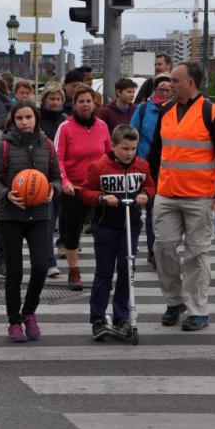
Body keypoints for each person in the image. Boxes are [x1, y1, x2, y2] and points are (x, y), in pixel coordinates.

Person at [146, 62, 215, 331]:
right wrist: (145, 182)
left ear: (191, 83)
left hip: (200, 196)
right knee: (163, 248)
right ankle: (174, 301)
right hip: (167, 194)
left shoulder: (213, 112)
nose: (170, 85)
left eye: (175, 80)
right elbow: (156, 153)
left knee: (197, 254)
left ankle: (197, 309)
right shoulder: (167, 111)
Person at [0, 101, 62, 342]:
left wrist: (52, 189)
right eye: (20, 118)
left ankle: (29, 312)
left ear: (36, 118)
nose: (24, 122)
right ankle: (14, 321)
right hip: (11, 217)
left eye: (28, 117)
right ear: (13, 120)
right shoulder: (4, 146)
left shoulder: (47, 145)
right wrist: (6, 194)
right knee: (14, 272)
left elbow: (57, 178)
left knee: (41, 267)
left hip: (40, 215)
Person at [80, 124, 155, 340]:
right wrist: (102, 198)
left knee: (126, 269)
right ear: (113, 146)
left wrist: (145, 195)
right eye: (124, 149)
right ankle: (98, 318)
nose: (129, 153)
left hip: (130, 225)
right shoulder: (99, 166)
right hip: (105, 226)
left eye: (133, 149)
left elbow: (150, 186)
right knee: (104, 273)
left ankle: (122, 313)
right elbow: (85, 191)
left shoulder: (141, 166)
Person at [55, 86, 111, 289]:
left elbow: (109, 155)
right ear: (74, 104)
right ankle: (74, 271)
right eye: (81, 101)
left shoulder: (102, 126)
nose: (85, 105)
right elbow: (57, 158)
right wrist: (64, 181)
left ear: (94, 103)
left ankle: (103, 274)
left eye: (89, 101)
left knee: (103, 232)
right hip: (74, 189)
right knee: (72, 232)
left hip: (98, 190)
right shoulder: (65, 127)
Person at [131, 75, 171, 265]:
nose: (165, 93)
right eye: (161, 89)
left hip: (173, 168)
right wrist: (137, 161)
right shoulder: (143, 109)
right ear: (154, 90)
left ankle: (166, 249)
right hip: (149, 166)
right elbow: (132, 135)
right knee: (153, 210)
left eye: (169, 90)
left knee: (168, 212)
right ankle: (153, 251)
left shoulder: (176, 109)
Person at [38, 82, 66, 277]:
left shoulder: (66, 121)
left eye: (58, 99)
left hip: (62, 178)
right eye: (51, 99)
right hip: (43, 178)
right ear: (45, 100)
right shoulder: (37, 120)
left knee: (57, 219)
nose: (55, 102)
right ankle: (49, 261)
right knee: (47, 222)